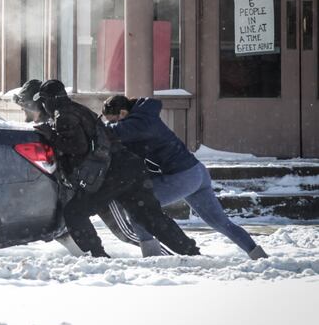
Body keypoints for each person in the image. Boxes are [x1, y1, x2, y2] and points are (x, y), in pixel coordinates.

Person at [32, 80, 201, 258]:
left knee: (75, 212)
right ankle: (190, 251)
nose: (43, 106)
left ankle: (96, 255)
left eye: (43, 101)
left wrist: (51, 135)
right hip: (130, 166)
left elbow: (78, 147)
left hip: (110, 173)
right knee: (151, 216)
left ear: (49, 100)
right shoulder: (78, 109)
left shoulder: (63, 115)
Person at [102, 95, 268, 259]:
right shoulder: (144, 116)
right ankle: (258, 255)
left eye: (113, 120)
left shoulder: (139, 124)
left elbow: (110, 133)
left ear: (123, 113)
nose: (113, 123)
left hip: (182, 177)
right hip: (197, 172)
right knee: (221, 223)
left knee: (138, 208)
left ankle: (152, 259)